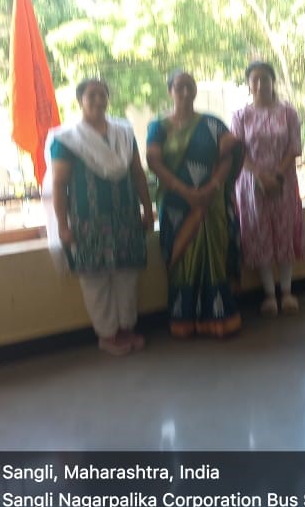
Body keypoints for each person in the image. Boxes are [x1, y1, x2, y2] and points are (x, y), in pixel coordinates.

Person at [48, 78, 152, 357]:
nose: (97, 100)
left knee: (127, 275)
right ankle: (108, 334)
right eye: (91, 95)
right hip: (87, 221)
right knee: (95, 279)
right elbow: (59, 184)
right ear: (80, 100)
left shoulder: (124, 133)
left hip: (126, 217)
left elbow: (137, 173)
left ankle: (127, 327)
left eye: (102, 94)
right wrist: (63, 226)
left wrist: (147, 209)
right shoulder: (67, 139)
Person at [146, 70, 244, 339]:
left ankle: (219, 318)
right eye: (180, 87)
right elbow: (154, 162)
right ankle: (184, 318)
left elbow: (230, 155)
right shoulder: (158, 127)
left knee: (214, 258)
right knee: (181, 261)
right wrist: (185, 191)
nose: (186, 92)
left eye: (190, 86)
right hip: (176, 205)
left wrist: (212, 187)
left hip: (210, 202)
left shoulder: (212, 123)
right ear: (170, 91)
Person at [232, 61, 305, 317]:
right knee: (259, 235)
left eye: (265, 78)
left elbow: (294, 148)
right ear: (248, 84)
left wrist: (276, 176)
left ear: (273, 81)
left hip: (283, 181)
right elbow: (238, 152)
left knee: (284, 232)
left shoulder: (288, 113)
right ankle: (269, 295)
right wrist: (261, 177)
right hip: (252, 184)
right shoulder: (240, 116)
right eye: (255, 79)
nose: (260, 84)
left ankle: (286, 292)